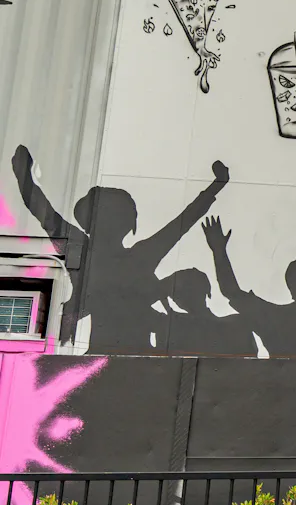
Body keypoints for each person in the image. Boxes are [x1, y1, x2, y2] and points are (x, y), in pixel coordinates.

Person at [11, 145, 229, 352]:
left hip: (110, 353)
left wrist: (24, 177)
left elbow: (46, 215)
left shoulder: (89, 250)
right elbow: (182, 223)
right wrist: (216, 185)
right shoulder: (139, 255)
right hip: (131, 354)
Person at [202, 214, 296, 356]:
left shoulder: (274, 316)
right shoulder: (275, 317)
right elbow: (232, 292)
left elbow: (232, 292)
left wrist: (219, 251)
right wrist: (219, 251)